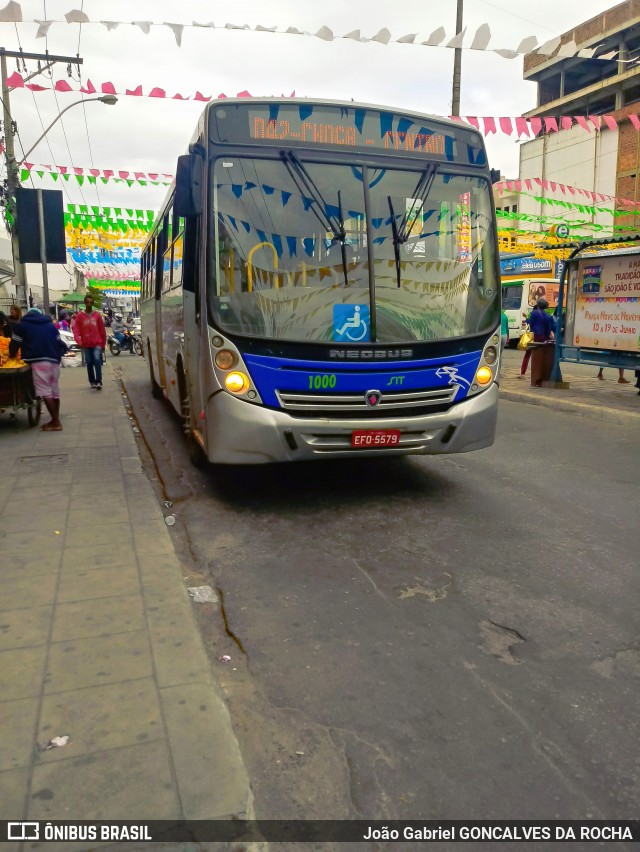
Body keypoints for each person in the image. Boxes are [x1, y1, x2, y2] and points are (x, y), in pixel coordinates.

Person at [9, 307, 65, 431]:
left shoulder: (22, 325)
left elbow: (14, 344)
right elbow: (60, 343)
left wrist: (11, 355)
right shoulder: (50, 325)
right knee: (54, 392)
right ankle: (54, 419)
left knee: (45, 392)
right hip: (54, 362)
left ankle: (56, 422)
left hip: (39, 361)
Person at [73, 294, 106, 389]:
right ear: (84, 303)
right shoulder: (80, 316)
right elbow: (76, 331)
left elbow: (102, 330)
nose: (89, 304)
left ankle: (99, 381)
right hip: (86, 344)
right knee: (89, 362)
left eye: (91, 302)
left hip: (97, 343)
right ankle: (92, 381)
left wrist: (103, 344)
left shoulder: (97, 315)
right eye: (87, 302)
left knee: (97, 360)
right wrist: (79, 342)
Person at [518, 298, 555, 383]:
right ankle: (542, 374)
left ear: (538, 305)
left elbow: (531, 322)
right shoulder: (548, 315)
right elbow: (548, 329)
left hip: (534, 336)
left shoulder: (534, 313)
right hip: (543, 337)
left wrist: (526, 319)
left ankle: (523, 373)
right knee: (542, 355)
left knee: (528, 354)